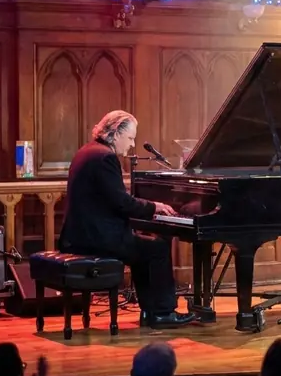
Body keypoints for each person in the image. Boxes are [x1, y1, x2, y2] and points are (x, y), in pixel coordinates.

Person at [59, 110, 196, 328]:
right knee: (158, 248)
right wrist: (154, 207)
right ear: (115, 133)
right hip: (97, 239)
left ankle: (149, 311)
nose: (132, 145)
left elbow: (111, 200)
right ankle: (162, 313)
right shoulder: (106, 157)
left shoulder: (88, 151)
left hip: (80, 235)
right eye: (130, 138)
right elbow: (121, 202)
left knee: (144, 249)